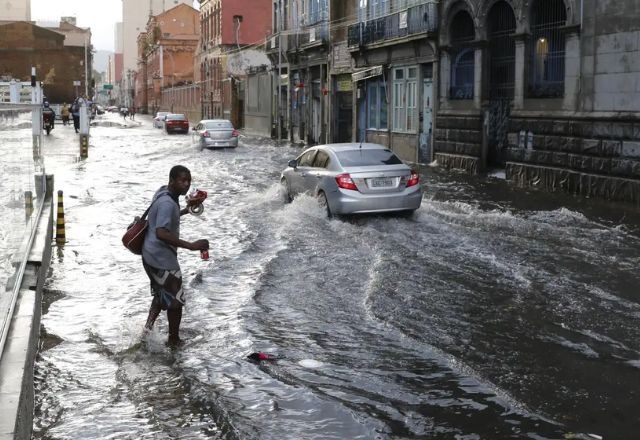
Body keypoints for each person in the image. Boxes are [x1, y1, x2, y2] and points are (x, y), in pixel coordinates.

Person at [142, 165, 209, 347]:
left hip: (149, 255)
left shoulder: (163, 193)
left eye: (188, 181)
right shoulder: (167, 203)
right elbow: (161, 232)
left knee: (161, 293)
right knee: (176, 300)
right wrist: (192, 246)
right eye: (182, 181)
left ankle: (146, 331)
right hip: (161, 258)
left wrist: (187, 210)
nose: (186, 185)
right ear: (172, 181)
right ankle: (173, 340)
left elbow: (164, 218)